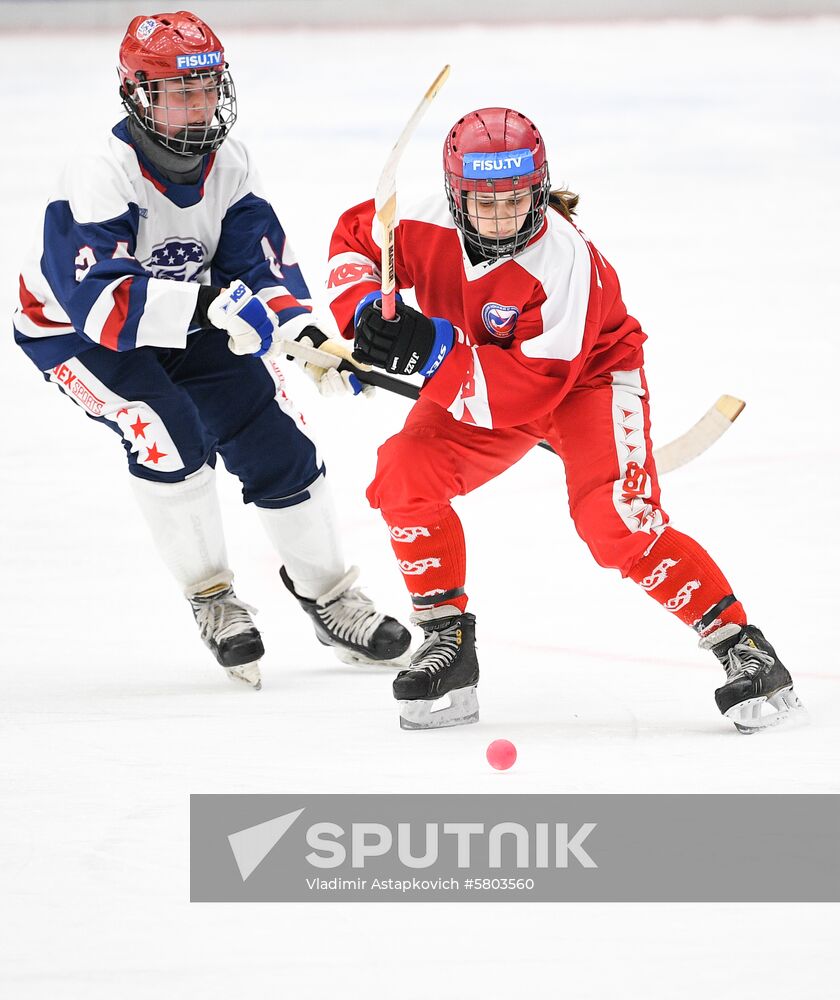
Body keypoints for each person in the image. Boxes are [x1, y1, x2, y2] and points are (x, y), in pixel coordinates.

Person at [327, 106, 804, 732]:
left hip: (587, 381)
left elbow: (530, 393)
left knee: (612, 519)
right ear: (455, 194)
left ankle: (744, 647)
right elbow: (355, 240)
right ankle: (448, 643)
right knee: (404, 473)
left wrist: (431, 348)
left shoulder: (562, 259)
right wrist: (365, 311)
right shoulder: (419, 221)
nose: (501, 216)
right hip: (483, 373)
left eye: (517, 198)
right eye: (483, 201)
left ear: (540, 186)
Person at [12, 11, 410, 690]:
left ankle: (330, 597)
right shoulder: (99, 172)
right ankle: (212, 598)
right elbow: (102, 305)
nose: (197, 108)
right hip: (74, 336)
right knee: (169, 433)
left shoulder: (232, 164)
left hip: (191, 316)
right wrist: (216, 306)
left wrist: (304, 336)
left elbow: (260, 267)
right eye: (178, 92)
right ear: (138, 93)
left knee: (275, 441)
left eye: (204, 90)